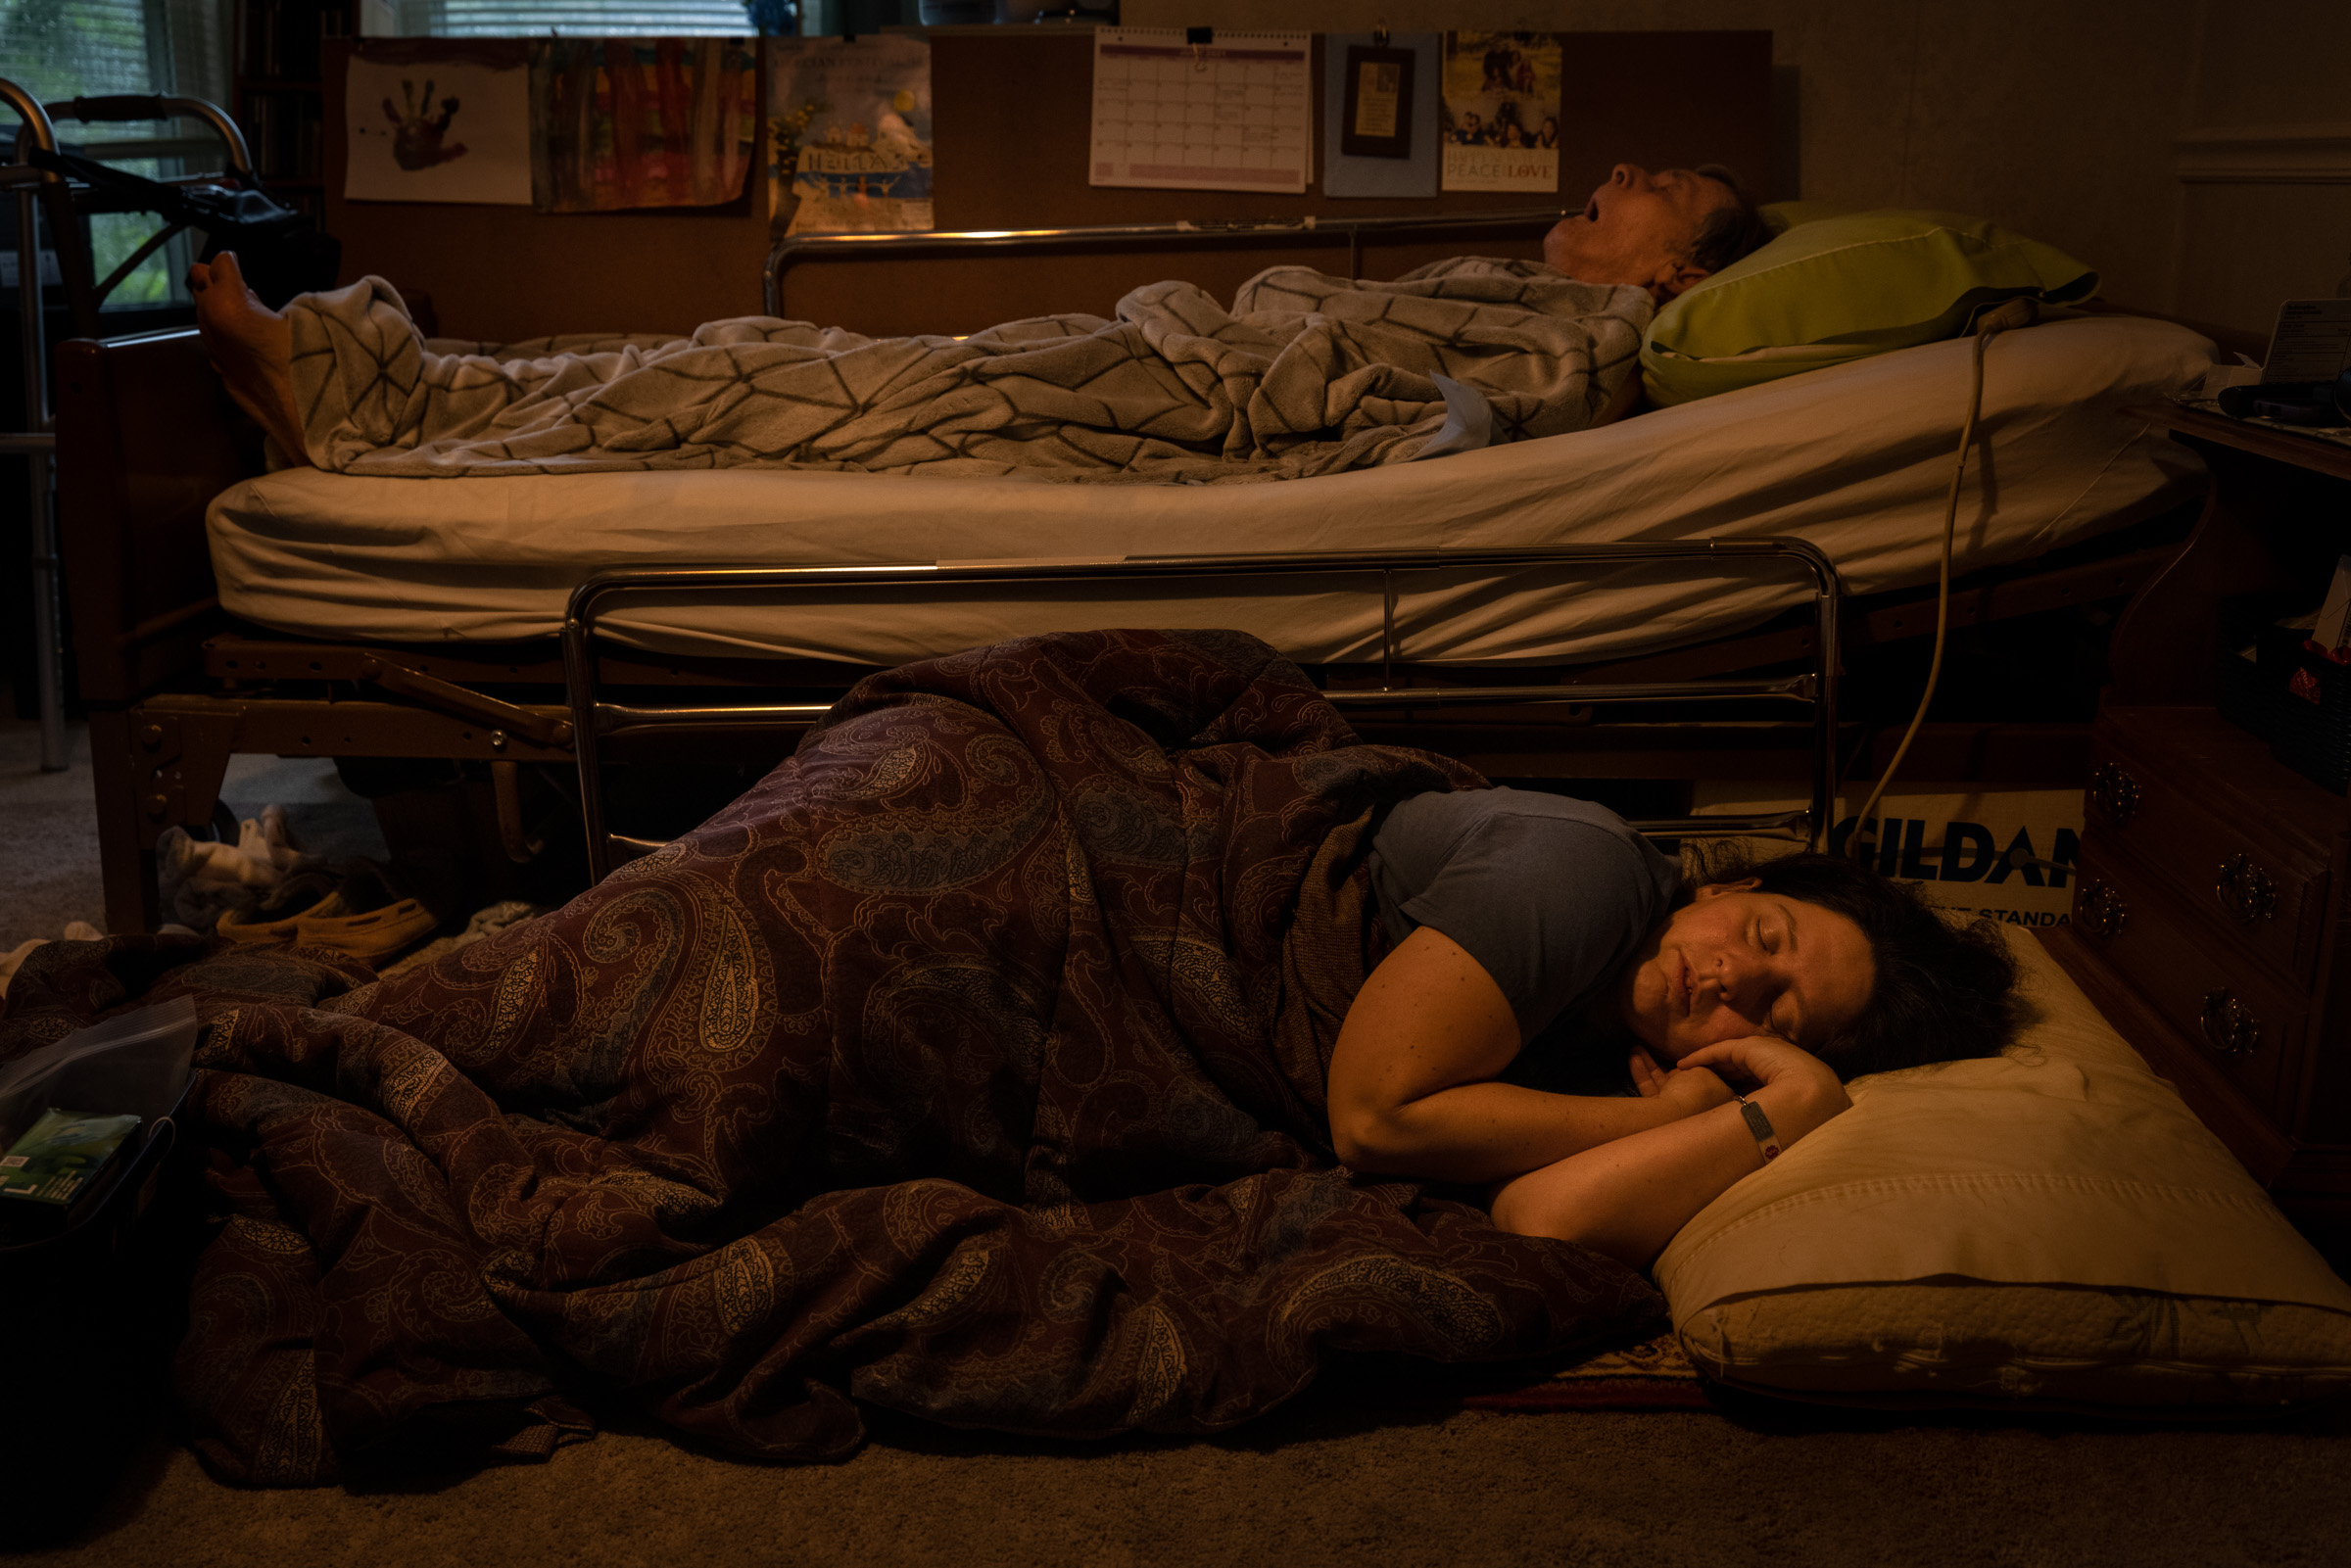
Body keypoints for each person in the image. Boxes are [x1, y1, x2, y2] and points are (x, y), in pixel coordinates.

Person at [188, 160, 1771, 473]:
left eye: (1655, 187)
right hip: (1148, 358)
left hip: (1160, 399)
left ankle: (364, 397)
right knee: (746, 355)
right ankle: (375, 385)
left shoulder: (1600, 342)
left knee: (744, 382)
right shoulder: (1513, 285)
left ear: (1672, 275)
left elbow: (1439, 416)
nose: (1613, 174)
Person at [1328, 787, 2022, 1270]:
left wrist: (1778, 1109)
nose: (1736, 975)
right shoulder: (1587, 869)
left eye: (1777, 1010)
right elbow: (1372, 1118)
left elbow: (1544, 1219)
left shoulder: (1659, 1068)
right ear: (1730, 886)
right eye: (1766, 934)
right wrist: (1665, 1119)